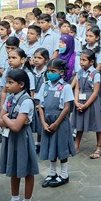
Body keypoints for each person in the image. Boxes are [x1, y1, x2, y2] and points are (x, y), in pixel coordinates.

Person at [0, 68, 39, 201]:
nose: (7, 86)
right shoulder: (10, 98)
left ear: (21, 84)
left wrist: (6, 119)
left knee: (27, 171)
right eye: (7, 82)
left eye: (10, 83)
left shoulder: (27, 101)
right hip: (10, 139)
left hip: (23, 139)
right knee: (13, 169)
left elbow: (15, 126)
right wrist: (10, 120)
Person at [38, 58, 75, 188]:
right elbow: (40, 106)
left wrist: (56, 123)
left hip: (60, 122)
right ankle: (52, 172)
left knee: (61, 147)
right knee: (50, 146)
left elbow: (67, 108)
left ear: (61, 72)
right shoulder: (45, 85)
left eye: (53, 71)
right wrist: (43, 122)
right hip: (47, 121)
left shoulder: (66, 87)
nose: (50, 74)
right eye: (48, 71)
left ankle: (64, 175)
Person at [73, 49, 101, 158]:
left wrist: (86, 105)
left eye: (84, 60)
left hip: (92, 102)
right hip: (80, 101)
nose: (81, 62)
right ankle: (76, 145)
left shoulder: (96, 74)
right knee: (79, 123)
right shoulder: (79, 72)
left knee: (97, 123)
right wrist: (76, 101)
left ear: (91, 62)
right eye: (80, 60)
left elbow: (95, 92)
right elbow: (77, 87)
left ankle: (98, 147)